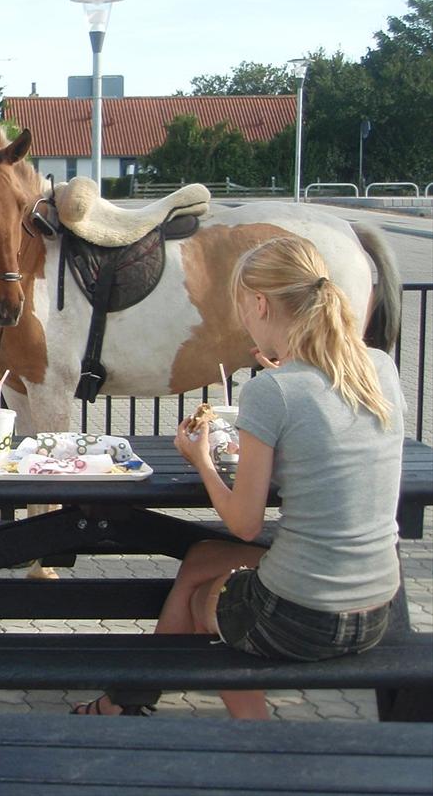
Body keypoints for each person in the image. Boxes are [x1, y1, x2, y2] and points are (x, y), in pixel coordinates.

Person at [72, 236, 405, 720]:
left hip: (305, 619)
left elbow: (245, 525)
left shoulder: (273, 391)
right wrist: (289, 375)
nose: (241, 318)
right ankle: (126, 701)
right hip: (376, 610)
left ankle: (256, 735)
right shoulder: (380, 369)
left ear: (261, 304)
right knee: (201, 558)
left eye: (241, 306)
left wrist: (201, 460)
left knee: (199, 601)